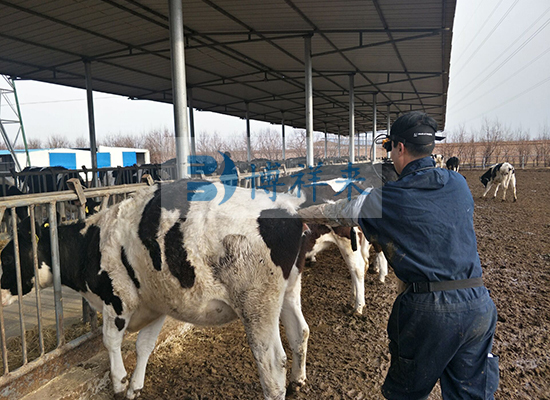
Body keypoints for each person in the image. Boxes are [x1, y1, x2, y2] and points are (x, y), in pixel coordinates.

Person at [299, 111, 499, 399]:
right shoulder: (458, 185)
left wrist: (295, 214)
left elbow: (336, 211)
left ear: (400, 147)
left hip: (430, 311)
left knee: (406, 394)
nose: (389, 154)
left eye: (389, 147)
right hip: (479, 306)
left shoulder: (386, 199)